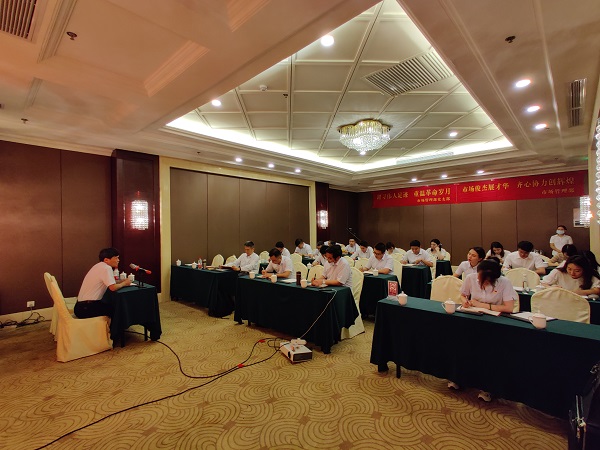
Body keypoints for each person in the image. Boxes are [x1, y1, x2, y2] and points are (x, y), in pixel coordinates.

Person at [455, 259, 517, 401]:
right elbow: (463, 294)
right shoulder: (471, 278)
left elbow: (508, 308)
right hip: (472, 317)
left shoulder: (504, 282)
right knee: (463, 347)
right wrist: (465, 301)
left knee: (488, 354)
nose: (479, 279)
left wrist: (481, 305)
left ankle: (487, 387)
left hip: (494, 321)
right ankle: (459, 378)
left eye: (484, 279)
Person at [75, 247, 132, 319]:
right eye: (116, 258)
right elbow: (113, 288)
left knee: (114, 305)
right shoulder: (106, 268)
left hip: (80, 306)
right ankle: (118, 327)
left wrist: (121, 281)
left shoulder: (98, 266)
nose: (118, 260)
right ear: (106, 260)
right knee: (118, 310)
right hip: (86, 308)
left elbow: (109, 282)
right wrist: (125, 283)